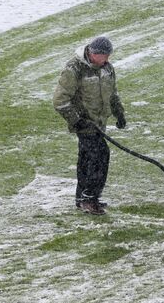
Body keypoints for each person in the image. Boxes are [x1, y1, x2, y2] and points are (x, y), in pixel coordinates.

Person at [53, 36, 127, 215]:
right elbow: (59, 100)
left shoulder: (107, 69)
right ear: (93, 54)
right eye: (104, 56)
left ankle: (84, 198)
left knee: (88, 159)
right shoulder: (75, 69)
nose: (107, 60)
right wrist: (76, 120)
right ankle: (89, 199)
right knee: (99, 157)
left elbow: (112, 94)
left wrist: (119, 113)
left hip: (100, 123)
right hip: (84, 123)